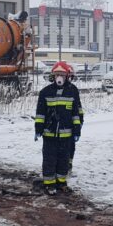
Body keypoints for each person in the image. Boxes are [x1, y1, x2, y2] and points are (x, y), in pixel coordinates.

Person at [34, 61, 83, 195]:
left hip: (66, 135)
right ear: (53, 76)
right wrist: (38, 129)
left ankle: (61, 182)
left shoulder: (72, 91)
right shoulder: (45, 92)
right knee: (49, 159)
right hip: (49, 134)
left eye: (62, 74)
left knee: (63, 160)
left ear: (67, 76)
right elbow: (40, 113)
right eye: (56, 75)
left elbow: (75, 113)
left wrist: (77, 130)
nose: (59, 77)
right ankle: (49, 184)